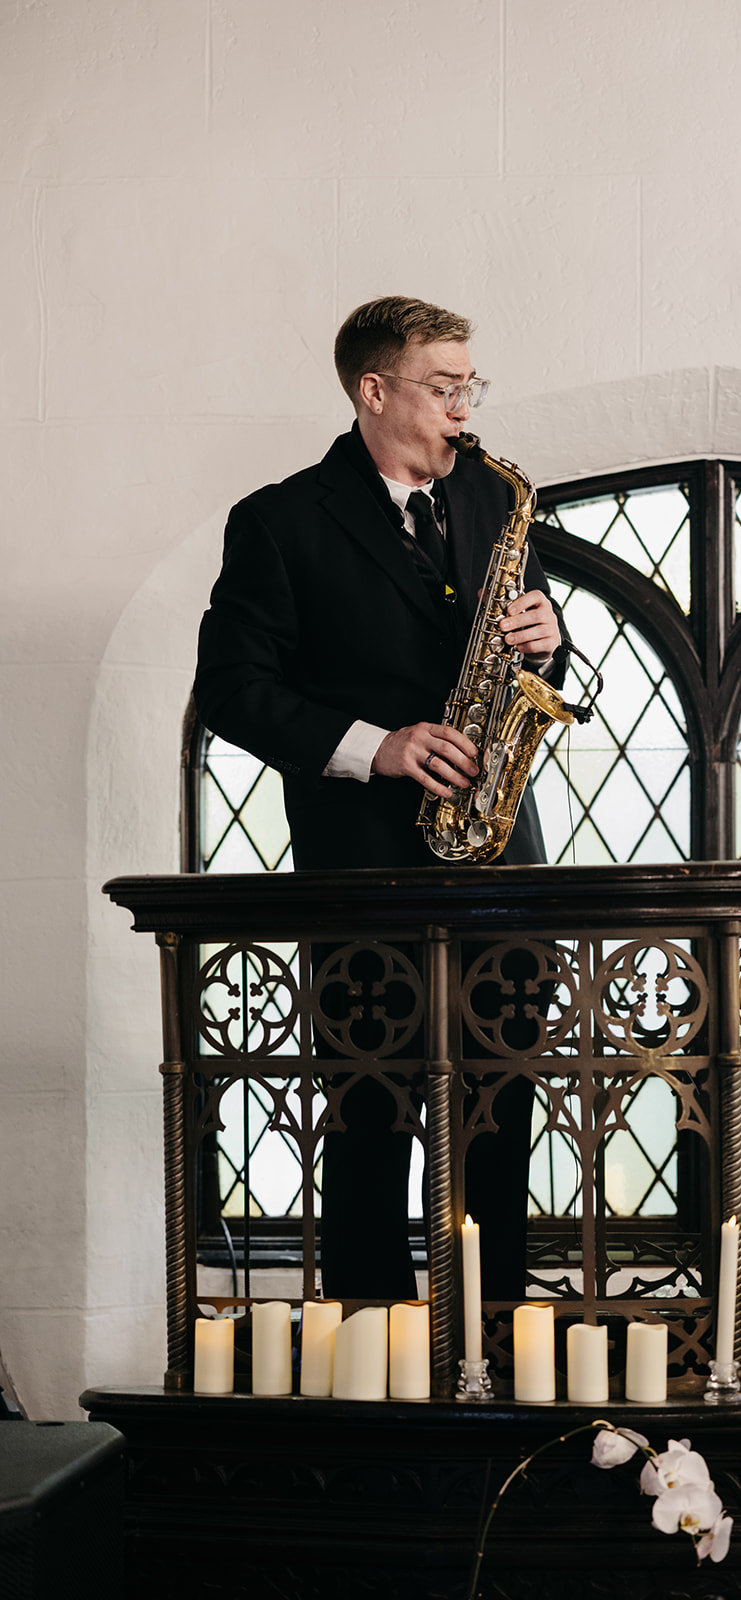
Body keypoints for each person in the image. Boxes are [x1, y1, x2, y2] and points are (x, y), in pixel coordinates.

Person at [194, 295, 566, 1301]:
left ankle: (495, 1330)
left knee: (503, 1115)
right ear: (373, 390)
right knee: (370, 1118)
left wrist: (547, 639)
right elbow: (232, 693)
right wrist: (380, 748)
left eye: (468, 386)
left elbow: (545, 677)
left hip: (499, 865)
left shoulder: (492, 503)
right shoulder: (278, 522)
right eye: (444, 388)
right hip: (364, 872)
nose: (464, 406)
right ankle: (372, 1340)